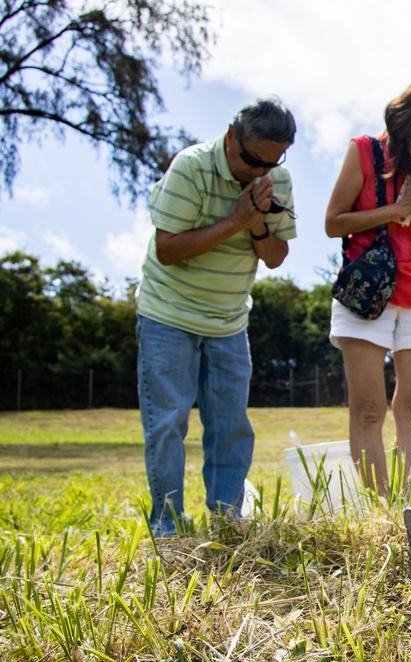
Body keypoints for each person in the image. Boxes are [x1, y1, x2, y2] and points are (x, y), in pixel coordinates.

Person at [136, 96, 297, 537]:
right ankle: (167, 527)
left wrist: (259, 223)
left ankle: (228, 521)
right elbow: (168, 249)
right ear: (231, 138)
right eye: (251, 160)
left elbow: (276, 257)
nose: (259, 172)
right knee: (167, 423)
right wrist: (237, 219)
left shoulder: (275, 179)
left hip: (229, 320)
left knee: (230, 425)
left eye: (271, 162)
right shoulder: (190, 167)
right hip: (168, 314)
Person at [325, 80, 411, 493]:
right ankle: (380, 509)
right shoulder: (364, 151)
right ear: (402, 125)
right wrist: (396, 209)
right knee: (369, 408)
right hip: (367, 296)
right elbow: (333, 222)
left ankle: (410, 507)